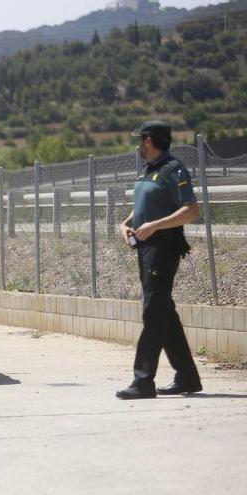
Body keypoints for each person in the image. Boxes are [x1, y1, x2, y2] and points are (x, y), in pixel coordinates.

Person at [116, 121, 202, 400]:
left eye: (141, 140)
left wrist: (154, 226)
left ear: (150, 141)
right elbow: (144, 205)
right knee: (164, 311)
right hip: (145, 248)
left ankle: (143, 381)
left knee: (153, 312)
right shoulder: (149, 172)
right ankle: (187, 376)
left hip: (162, 248)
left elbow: (190, 211)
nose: (139, 145)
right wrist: (126, 223)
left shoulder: (173, 170)